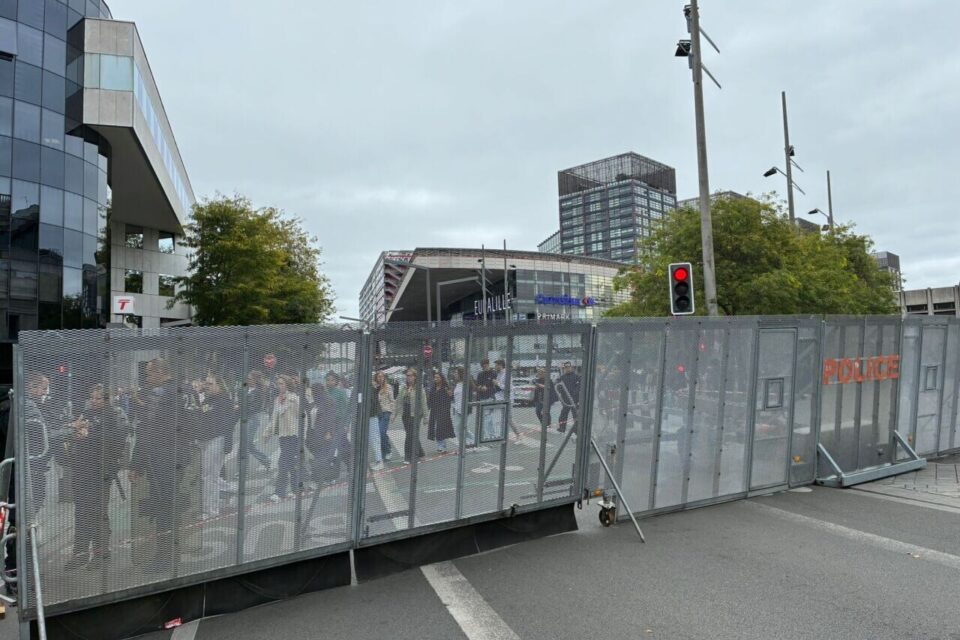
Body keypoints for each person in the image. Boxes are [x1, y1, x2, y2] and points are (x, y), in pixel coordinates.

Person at [64, 384, 128, 570]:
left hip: (101, 471)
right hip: (82, 469)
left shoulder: (116, 414)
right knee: (81, 513)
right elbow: (75, 430)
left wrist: (90, 435)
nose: (94, 401)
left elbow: (117, 440)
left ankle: (101, 554)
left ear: (107, 399)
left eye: (98, 398)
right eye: (92, 397)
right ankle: (80, 554)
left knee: (98, 513)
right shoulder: (87, 412)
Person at [129, 358, 179, 572]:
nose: (147, 378)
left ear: (160, 372)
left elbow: (146, 432)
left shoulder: (158, 395)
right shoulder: (184, 390)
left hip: (160, 458)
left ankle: (163, 560)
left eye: (149, 373)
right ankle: (171, 554)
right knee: (174, 506)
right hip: (180, 456)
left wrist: (136, 464)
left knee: (163, 510)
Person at [197, 375, 235, 520]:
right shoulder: (207, 400)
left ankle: (211, 510)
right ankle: (224, 492)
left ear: (219, 384)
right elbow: (200, 414)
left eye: (210, 384)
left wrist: (227, 443)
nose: (207, 386)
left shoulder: (225, 401)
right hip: (205, 439)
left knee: (210, 476)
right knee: (208, 475)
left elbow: (229, 424)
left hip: (217, 439)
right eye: (206, 384)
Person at [265, 375, 301, 502]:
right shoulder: (277, 400)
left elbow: (302, 416)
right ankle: (296, 490)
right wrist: (267, 432)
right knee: (291, 464)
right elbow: (274, 417)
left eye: (281, 383)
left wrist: (303, 435)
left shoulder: (294, 399)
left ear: (287, 385)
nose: (279, 386)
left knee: (283, 463)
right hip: (283, 436)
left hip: (293, 435)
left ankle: (279, 493)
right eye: (278, 384)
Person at [305, 382, 339, 485]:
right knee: (319, 457)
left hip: (324, 434)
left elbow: (330, 418)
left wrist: (329, 432)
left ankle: (320, 479)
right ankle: (326, 478)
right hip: (314, 434)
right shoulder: (314, 402)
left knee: (321, 458)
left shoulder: (328, 401)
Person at [239, 370, 271, 473]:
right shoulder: (245, 389)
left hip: (252, 419)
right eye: (247, 378)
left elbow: (256, 407)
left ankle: (244, 469)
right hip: (244, 418)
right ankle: (265, 460)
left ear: (255, 380)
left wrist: (241, 407)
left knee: (245, 444)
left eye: (250, 378)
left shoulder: (258, 392)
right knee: (246, 444)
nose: (247, 380)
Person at [395, 368, 427, 463]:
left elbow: (424, 403)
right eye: (407, 375)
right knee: (413, 435)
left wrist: (426, 417)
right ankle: (421, 453)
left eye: (410, 375)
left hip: (416, 414)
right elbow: (398, 401)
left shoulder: (419, 388)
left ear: (415, 377)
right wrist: (394, 414)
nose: (408, 377)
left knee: (410, 435)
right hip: (406, 414)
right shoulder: (404, 387)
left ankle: (410, 457)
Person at [427, 372, 455, 452]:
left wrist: (450, 395)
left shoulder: (446, 387)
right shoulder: (433, 387)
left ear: (441, 378)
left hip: (443, 410)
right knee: (435, 428)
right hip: (434, 410)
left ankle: (442, 446)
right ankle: (440, 445)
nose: (436, 379)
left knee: (440, 427)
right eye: (435, 377)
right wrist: (427, 408)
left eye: (437, 377)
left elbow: (451, 398)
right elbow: (430, 399)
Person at [475, 359, 498, 441]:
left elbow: (495, 385)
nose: (484, 368)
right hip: (482, 397)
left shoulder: (493, 373)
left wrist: (487, 387)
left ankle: (488, 436)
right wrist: (481, 387)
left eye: (485, 366)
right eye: (483, 366)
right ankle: (491, 435)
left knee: (488, 416)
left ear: (488, 364)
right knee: (488, 417)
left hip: (490, 396)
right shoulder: (480, 374)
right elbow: (477, 385)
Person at [374, 372, 395, 461]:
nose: (380, 378)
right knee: (379, 433)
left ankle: (388, 450)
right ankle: (383, 451)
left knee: (381, 432)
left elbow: (392, 400)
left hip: (386, 411)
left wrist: (392, 413)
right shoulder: (374, 387)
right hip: (376, 413)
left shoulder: (388, 387)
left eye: (382, 376)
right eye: (378, 376)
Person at [452, 367, 474, 446]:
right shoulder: (457, 384)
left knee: (465, 429)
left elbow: (469, 398)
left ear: (460, 374)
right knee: (457, 430)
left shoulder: (467, 384)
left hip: (465, 410)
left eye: (456, 373)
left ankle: (475, 441)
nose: (454, 374)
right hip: (457, 409)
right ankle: (462, 446)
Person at [556, 362, 581, 434]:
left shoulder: (576, 376)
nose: (567, 368)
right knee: (563, 414)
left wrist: (574, 393)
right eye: (566, 367)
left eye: (568, 367)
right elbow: (558, 387)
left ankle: (576, 430)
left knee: (575, 415)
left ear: (571, 367)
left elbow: (579, 386)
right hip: (566, 400)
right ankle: (562, 428)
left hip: (574, 399)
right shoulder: (562, 377)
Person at [366, 375, 384, 470]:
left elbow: (373, 403)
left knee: (374, 439)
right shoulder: (369, 387)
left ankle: (379, 461)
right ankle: (378, 460)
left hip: (372, 416)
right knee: (370, 439)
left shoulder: (370, 388)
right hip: (369, 417)